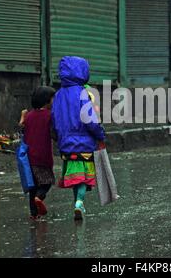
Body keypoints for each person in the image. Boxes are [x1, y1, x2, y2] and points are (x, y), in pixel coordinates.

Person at [51, 56, 105, 220]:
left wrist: (57, 137)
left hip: (65, 142)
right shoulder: (83, 93)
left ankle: (77, 203)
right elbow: (90, 119)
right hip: (84, 143)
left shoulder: (59, 95)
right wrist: (100, 134)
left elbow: (53, 118)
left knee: (75, 176)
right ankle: (79, 203)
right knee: (83, 177)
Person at [19, 86, 57, 220]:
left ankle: (34, 214)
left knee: (33, 186)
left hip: (29, 157)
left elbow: (24, 131)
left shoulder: (28, 116)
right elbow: (54, 134)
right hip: (43, 157)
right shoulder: (49, 116)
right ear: (47, 101)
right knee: (47, 182)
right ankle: (39, 198)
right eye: (53, 99)